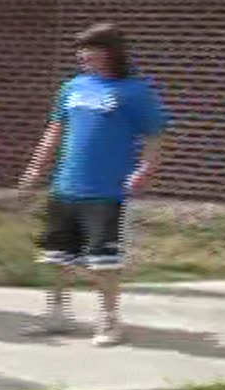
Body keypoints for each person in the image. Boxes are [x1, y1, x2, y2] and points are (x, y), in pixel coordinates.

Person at [17, 23, 167, 347]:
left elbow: (156, 137)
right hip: (65, 186)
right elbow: (53, 132)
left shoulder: (135, 91)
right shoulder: (72, 88)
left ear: (111, 52)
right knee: (59, 256)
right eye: (80, 49)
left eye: (90, 48)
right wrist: (34, 170)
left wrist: (145, 170)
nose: (82, 55)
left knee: (104, 261)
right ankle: (58, 313)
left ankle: (110, 320)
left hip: (107, 191)